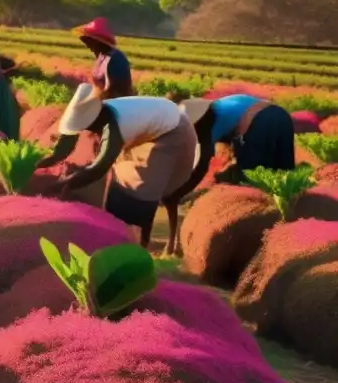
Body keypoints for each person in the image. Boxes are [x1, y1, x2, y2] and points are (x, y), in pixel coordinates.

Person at [36, 83, 197, 255]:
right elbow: (63, 149)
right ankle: (115, 238)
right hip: (147, 130)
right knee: (120, 180)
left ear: (97, 118)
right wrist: (36, 166)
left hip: (172, 131)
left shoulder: (115, 125)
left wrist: (62, 185)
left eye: (90, 128)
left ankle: (141, 248)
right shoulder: (86, 114)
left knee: (142, 186)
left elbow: (98, 168)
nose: (90, 132)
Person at [165, 95, 296, 201]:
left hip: (261, 122)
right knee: (284, 173)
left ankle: (262, 210)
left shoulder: (208, 123)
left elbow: (201, 166)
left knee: (251, 175)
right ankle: (291, 209)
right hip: (282, 116)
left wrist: (178, 194)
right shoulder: (221, 106)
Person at [75, 17, 134, 100]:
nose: (88, 45)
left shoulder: (114, 58)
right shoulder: (101, 57)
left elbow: (109, 89)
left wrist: (90, 103)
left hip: (115, 103)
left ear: (98, 42)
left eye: (89, 42)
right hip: (101, 100)